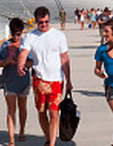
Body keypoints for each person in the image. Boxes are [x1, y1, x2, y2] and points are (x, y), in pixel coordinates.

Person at [17, 7, 72, 146]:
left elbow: (64, 58)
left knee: (54, 114)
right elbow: (24, 52)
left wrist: (69, 80)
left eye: (46, 22)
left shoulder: (59, 35)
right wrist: (20, 65)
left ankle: (52, 143)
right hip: (39, 80)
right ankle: (48, 138)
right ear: (36, 21)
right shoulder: (31, 36)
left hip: (56, 81)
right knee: (42, 112)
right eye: (41, 22)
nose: (44, 25)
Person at [0, 18, 33, 145]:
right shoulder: (5, 45)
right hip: (9, 80)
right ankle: (11, 139)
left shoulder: (26, 45)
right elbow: (0, 63)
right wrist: (7, 61)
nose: (16, 37)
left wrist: (21, 62)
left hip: (23, 80)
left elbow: (31, 62)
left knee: (22, 107)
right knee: (11, 109)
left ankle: (22, 131)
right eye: (13, 34)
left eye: (18, 34)